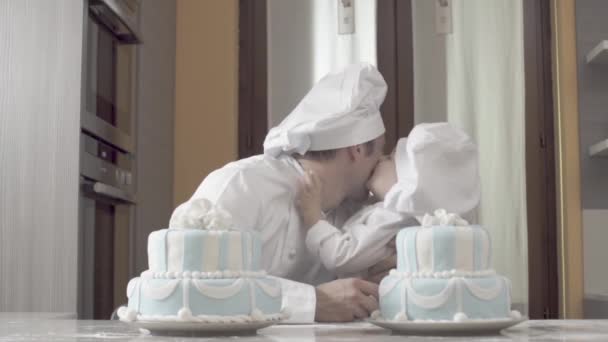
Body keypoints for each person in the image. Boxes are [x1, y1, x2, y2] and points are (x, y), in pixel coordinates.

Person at [170, 63, 391, 322]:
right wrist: (311, 302)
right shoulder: (240, 184)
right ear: (356, 149)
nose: (382, 163)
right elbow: (187, 288)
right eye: (379, 152)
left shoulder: (356, 215)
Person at [296, 122, 481, 279]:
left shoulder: (392, 219)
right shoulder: (393, 215)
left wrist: (313, 216)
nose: (381, 159)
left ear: (408, 183)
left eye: (391, 159)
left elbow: (341, 256)